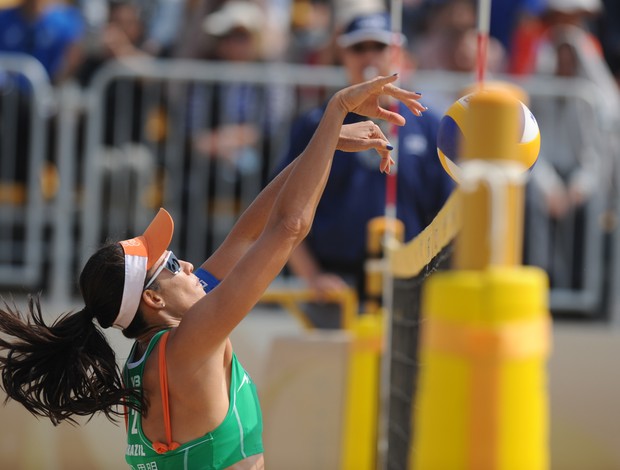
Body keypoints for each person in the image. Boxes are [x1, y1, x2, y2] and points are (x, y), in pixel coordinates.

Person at [0, 75, 425, 469]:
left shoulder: (158, 347)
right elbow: (288, 227)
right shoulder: (190, 343)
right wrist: (336, 109)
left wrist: (325, 144)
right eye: (169, 265)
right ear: (153, 298)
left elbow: (245, 235)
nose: (185, 264)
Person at [272, 11, 456, 327]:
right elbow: (280, 208)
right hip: (334, 292)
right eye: (359, 48)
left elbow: (449, 214)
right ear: (343, 56)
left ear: (397, 53)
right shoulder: (314, 126)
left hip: (411, 289)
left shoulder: (429, 126)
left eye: (379, 46)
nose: (369, 56)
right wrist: (313, 277)